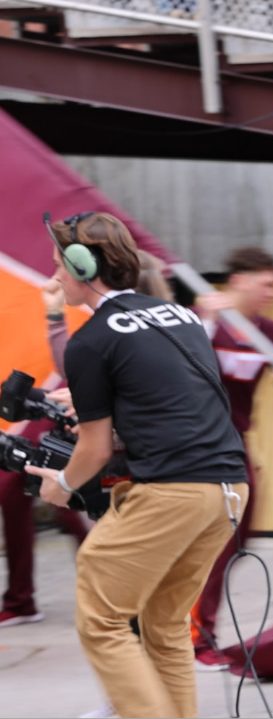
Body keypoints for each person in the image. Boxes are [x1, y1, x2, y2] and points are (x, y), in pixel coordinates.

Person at [24, 211, 248, 718]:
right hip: (229, 489)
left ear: (83, 266)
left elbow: (96, 451)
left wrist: (60, 484)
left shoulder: (91, 340)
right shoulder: (184, 318)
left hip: (172, 493)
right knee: (164, 625)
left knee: (101, 620)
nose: (56, 276)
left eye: (60, 264)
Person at [0, 249, 172, 629]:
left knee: (113, 622)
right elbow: (76, 365)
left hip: (154, 480)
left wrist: (66, 480)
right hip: (161, 479)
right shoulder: (165, 330)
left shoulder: (126, 335)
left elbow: (102, 438)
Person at [191, 246, 273, 670]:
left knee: (237, 536)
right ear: (239, 280)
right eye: (267, 284)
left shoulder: (268, 330)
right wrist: (204, 320)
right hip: (195, 445)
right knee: (213, 539)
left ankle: (195, 629)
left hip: (235, 442)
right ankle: (195, 636)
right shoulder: (203, 320)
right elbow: (186, 365)